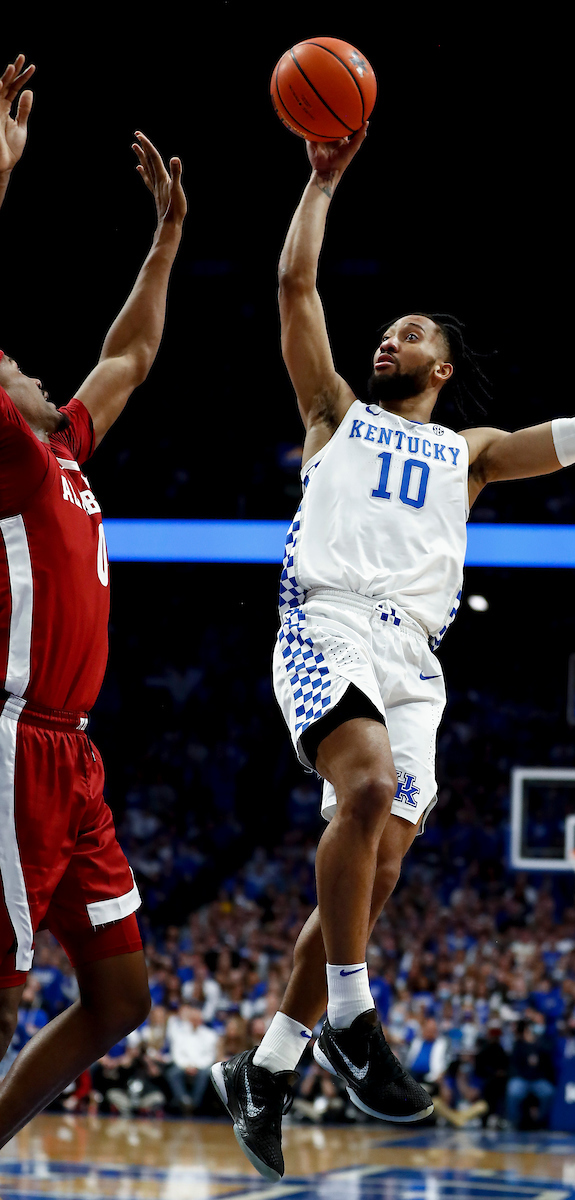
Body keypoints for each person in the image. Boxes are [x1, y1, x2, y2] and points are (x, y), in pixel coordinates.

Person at [213, 121, 575, 1180]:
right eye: (382, 332)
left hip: (417, 658)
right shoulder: (331, 412)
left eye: (405, 334)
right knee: (363, 788)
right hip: (325, 619)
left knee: (368, 882)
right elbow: (293, 287)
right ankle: (355, 1019)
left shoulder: (467, 453)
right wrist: (319, 183)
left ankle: (269, 1067)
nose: (387, 341)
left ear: (441, 363)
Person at [0, 54, 186, 1145]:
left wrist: (163, 240)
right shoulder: (12, 464)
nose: (19, 361)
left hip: (77, 760)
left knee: (122, 1000)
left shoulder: (61, 441)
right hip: (15, 743)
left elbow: (133, 351)